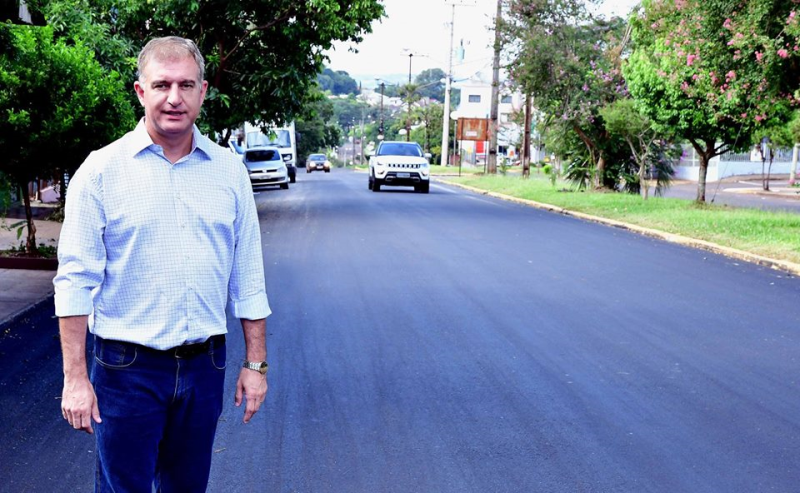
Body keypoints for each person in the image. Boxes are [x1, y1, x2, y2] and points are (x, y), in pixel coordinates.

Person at [54, 36, 270, 492]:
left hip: (204, 367)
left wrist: (257, 364)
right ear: (140, 91)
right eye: (162, 85)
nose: (174, 98)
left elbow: (248, 276)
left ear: (203, 92)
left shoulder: (229, 171)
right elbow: (74, 281)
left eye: (186, 85)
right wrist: (75, 379)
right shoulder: (100, 171)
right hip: (126, 369)